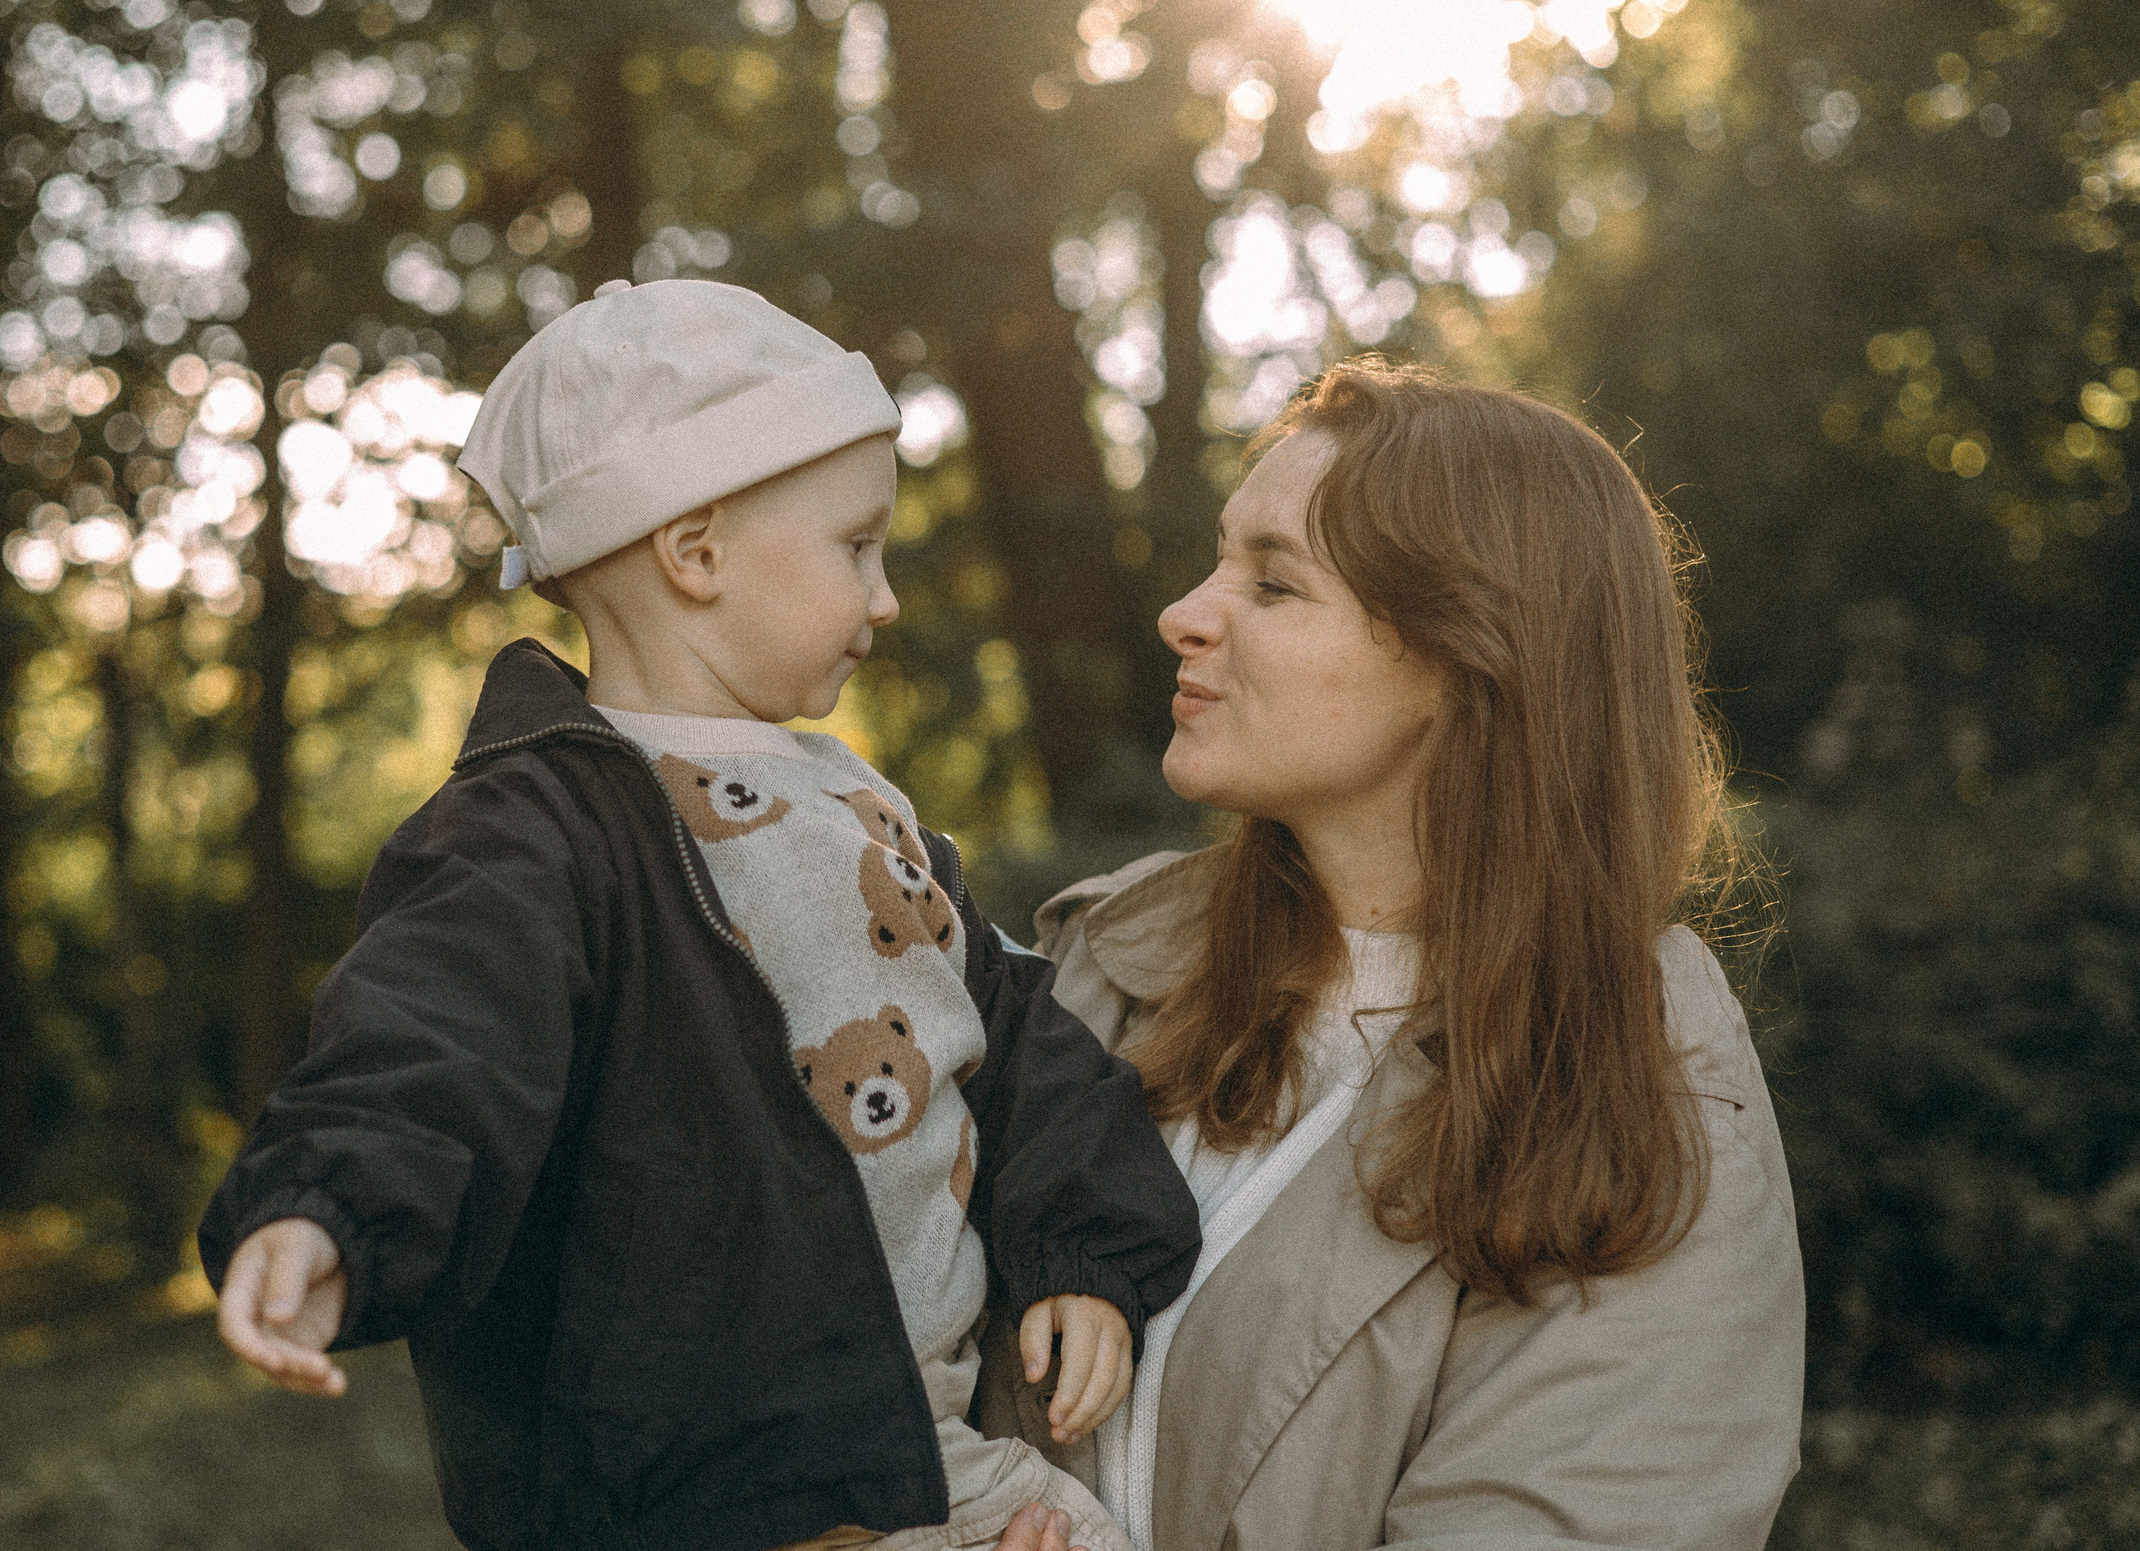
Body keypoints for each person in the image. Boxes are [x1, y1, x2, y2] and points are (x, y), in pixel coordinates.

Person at [196, 280, 1200, 1551]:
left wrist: (1082, 1256)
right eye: (855, 547)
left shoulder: (862, 812)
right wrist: (329, 1200)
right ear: (698, 550)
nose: (884, 598)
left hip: (920, 1468)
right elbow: (435, 1039)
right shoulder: (540, 823)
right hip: (684, 1496)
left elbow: (1021, 1045)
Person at [985, 359, 1804, 1551]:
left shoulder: (1639, 1086)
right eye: (1220, 557)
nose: (1185, 612)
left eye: (1271, 582)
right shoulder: (1095, 963)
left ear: (1467, 654)